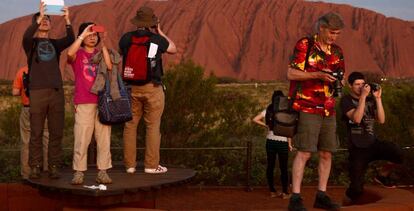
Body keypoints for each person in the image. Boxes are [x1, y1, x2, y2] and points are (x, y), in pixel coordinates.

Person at [287, 12, 345, 211]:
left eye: (337, 33)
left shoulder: (337, 52)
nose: (334, 37)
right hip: (307, 106)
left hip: (328, 108)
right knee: (304, 152)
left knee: (327, 153)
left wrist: (338, 80)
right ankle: (295, 198)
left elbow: (341, 76)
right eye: (331, 32)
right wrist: (318, 74)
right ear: (321, 28)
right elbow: (291, 72)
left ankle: (321, 195)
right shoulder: (305, 45)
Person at [119, 6, 177, 174]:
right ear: (152, 22)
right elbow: (173, 49)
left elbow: (122, 54)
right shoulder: (156, 39)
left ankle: (130, 166)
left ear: (137, 21)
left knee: (130, 126)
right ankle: (151, 166)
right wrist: (159, 31)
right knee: (152, 127)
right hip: (152, 88)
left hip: (131, 88)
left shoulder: (125, 38)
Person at [22, 1, 75, 179]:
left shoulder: (55, 43)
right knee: (36, 131)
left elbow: (70, 40)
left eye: (47, 19)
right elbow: (26, 36)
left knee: (56, 131)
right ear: (36, 23)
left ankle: (53, 166)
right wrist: (39, 17)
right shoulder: (31, 44)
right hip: (37, 91)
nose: (45, 21)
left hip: (56, 91)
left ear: (52, 25)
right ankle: (35, 166)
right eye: (42, 19)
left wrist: (67, 19)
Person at [341, 72, 404, 204]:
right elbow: (357, 119)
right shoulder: (346, 100)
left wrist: (378, 99)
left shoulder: (371, 100)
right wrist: (363, 97)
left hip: (372, 143)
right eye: (357, 84)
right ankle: (347, 201)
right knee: (356, 189)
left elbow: (381, 120)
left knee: (398, 153)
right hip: (357, 149)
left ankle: (382, 175)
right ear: (350, 85)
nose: (360, 87)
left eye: (363, 84)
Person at [67, 22, 113, 185]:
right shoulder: (78, 55)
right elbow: (69, 54)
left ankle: (103, 171)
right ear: (83, 35)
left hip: (102, 102)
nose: (93, 38)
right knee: (82, 138)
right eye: (89, 35)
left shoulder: (100, 53)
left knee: (104, 138)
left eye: (95, 35)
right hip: (84, 101)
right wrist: (82, 35)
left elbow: (109, 66)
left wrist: (105, 43)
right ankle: (79, 172)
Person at [252, 90, 293, 199]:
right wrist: (290, 144)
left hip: (270, 141)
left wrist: (266, 125)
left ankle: (272, 191)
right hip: (282, 142)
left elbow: (255, 119)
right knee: (284, 168)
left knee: (270, 166)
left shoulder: (269, 109)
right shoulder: (285, 111)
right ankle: (285, 192)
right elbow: (288, 129)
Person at [12, 66, 49, 179]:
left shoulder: (22, 70)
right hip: (43, 109)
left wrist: (24, 92)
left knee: (26, 141)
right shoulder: (46, 70)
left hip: (27, 108)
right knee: (46, 139)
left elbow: (15, 92)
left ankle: (26, 173)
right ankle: (47, 170)